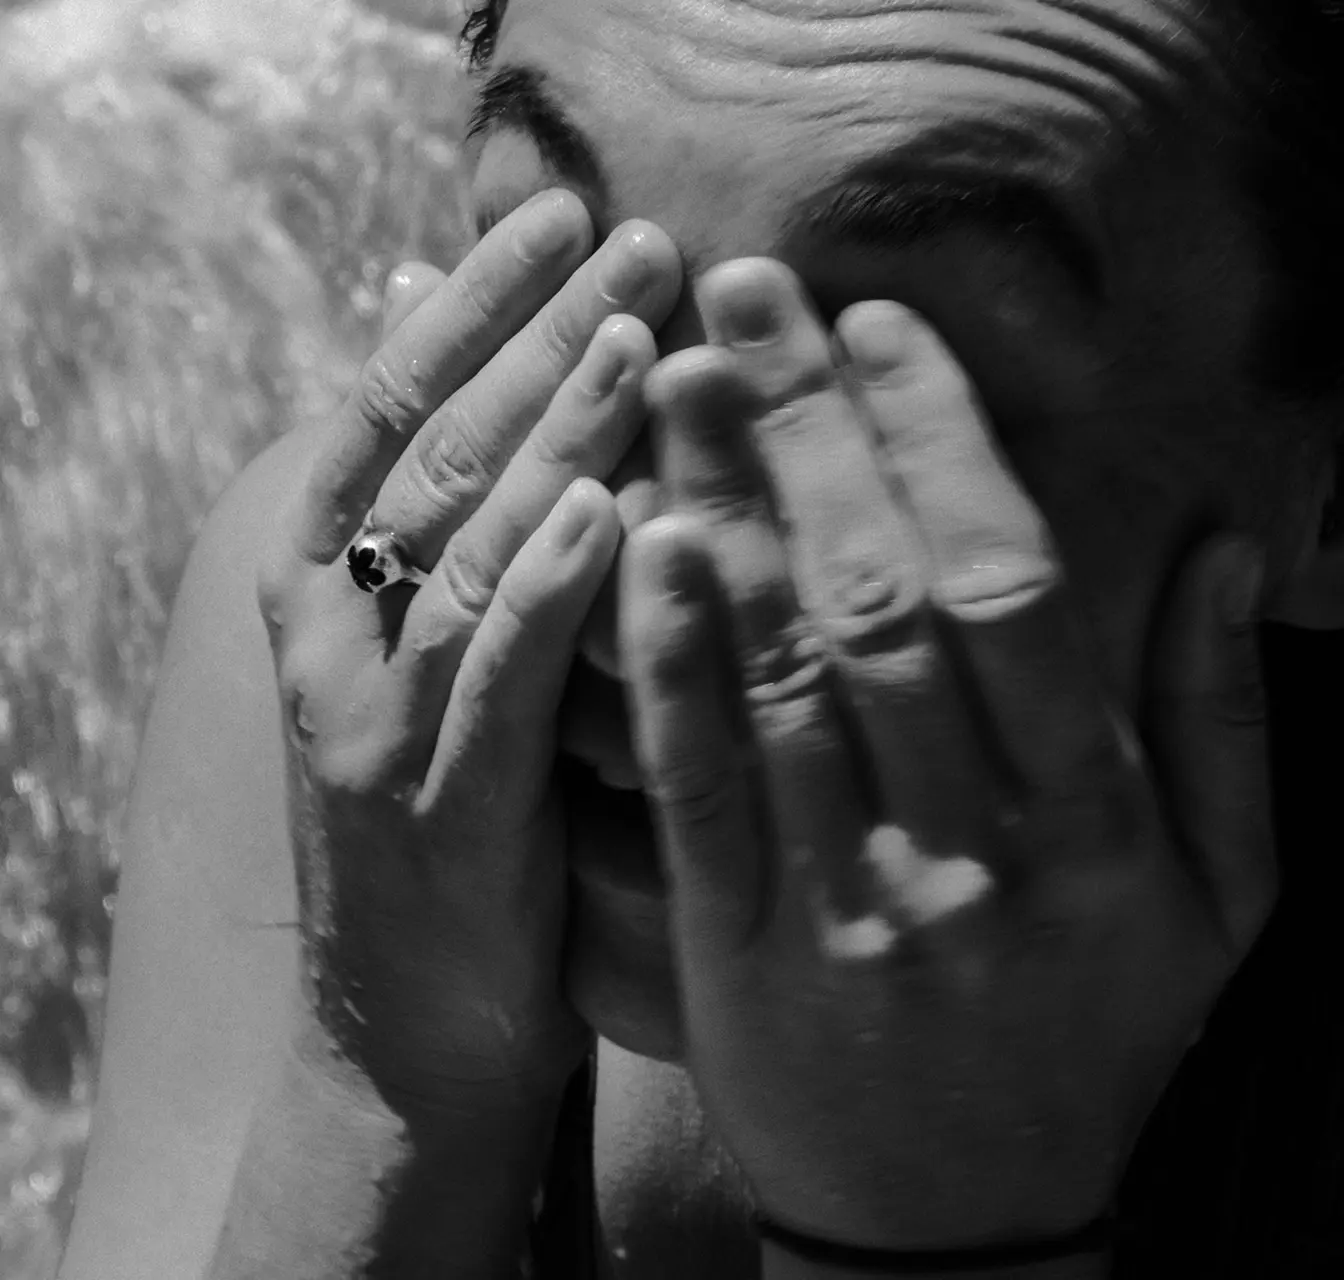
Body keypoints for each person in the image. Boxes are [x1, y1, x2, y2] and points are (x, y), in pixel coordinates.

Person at [56, 0, 1344, 1276]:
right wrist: (383, 1065)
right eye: (556, 292)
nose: (629, 588)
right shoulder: (359, 608)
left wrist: (942, 1238)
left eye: (875, 388)